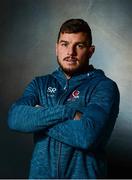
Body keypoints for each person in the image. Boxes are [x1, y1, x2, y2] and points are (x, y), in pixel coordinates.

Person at [8, 18, 120, 179]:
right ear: (56, 48)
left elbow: (87, 136)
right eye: (64, 44)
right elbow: (15, 118)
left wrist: (38, 118)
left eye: (79, 46)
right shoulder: (40, 84)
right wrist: (67, 113)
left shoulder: (104, 87)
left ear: (90, 51)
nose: (70, 52)